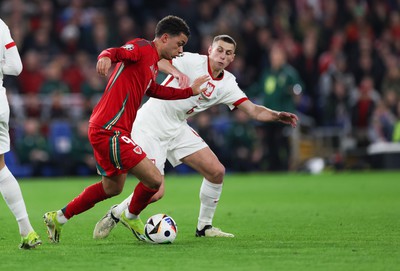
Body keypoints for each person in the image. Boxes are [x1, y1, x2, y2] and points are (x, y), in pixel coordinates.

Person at [93, 35, 298, 239]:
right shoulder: (191, 60)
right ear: (210, 50)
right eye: (219, 50)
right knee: (156, 192)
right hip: (150, 125)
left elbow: (253, 110)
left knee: (216, 171)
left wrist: (276, 115)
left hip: (177, 127)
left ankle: (204, 227)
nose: (222, 56)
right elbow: (157, 59)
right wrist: (175, 71)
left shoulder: (227, 83)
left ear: (232, 58)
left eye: (227, 53)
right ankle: (117, 212)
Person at [43, 15, 209, 243]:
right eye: (179, 44)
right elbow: (117, 52)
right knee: (154, 179)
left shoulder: (151, 66)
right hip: (110, 129)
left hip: (106, 129)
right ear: (165, 38)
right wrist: (104, 57)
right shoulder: (142, 48)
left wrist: (190, 91)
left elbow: (157, 91)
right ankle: (131, 216)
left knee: (112, 188)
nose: (180, 50)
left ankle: (58, 218)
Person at [0, 18, 42, 249]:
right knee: (1, 168)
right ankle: (27, 231)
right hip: (0, 103)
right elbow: (16, 67)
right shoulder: (2, 25)